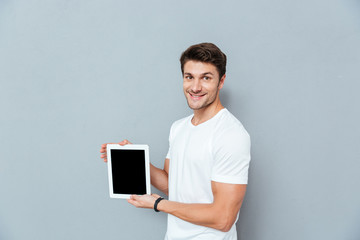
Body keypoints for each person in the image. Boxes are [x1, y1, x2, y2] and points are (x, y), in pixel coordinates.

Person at [100, 43, 251, 240]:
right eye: (189, 77)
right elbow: (174, 185)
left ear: (221, 81)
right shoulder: (179, 128)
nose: (195, 87)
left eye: (206, 78)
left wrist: (157, 204)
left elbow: (223, 218)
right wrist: (135, 160)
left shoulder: (231, 135)